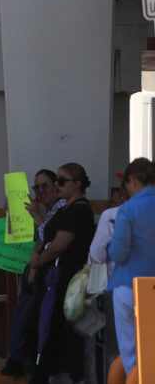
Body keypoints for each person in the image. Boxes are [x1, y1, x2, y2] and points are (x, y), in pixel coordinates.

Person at [27, 163, 96, 384]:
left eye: (62, 181)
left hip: (66, 279)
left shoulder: (78, 210)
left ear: (77, 184)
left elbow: (58, 246)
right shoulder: (66, 208)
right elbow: (47, 239)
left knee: (54, 329)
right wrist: (37, 256)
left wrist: (40, 260)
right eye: (56, 180)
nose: (57, 185)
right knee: (42, 327)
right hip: (55, 278)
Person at [2, 168, 64, 378]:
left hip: (53, 278)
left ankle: (26, 363)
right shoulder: (48, 210)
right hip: (39, 275)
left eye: (45, 185)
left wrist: (36, 263)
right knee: (22, 312)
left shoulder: (62, 209)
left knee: (27, 318)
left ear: (56, 186)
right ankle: (20, 360)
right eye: (36, 187)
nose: (40, 190)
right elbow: (40, 240)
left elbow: (51, 241)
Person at [107, 157, 155, 378]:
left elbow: (118, 253)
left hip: (130, 286)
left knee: (132, 353)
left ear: (133, 180)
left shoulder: (128, 209)